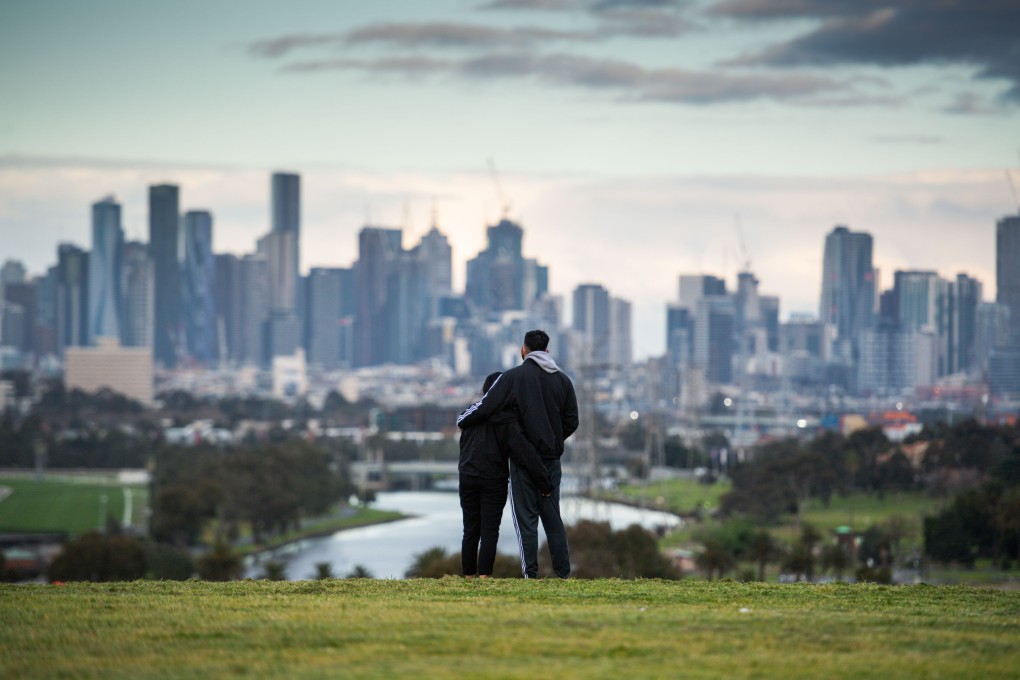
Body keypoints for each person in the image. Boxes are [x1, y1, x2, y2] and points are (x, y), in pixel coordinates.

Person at [457, 330, 579, 579]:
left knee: (526, 522)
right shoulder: (564, 381)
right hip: (552, 461)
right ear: (547, 350)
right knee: (552, 517)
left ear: (523, 350)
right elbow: (572, 421)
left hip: (522, 462)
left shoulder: (513, 377)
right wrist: (553, 440)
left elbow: (487, 406)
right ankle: (563, 574)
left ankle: (530, 576)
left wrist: (464, 419)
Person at [458, 372, 552, 578]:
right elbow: (526, 455)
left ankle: (468, 576)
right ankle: (484, 576)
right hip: (494, 479)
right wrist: (544, 483)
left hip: (467, 475)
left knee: (470, 529)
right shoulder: (507, 421)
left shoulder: (469, 416)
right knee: (489, 531)